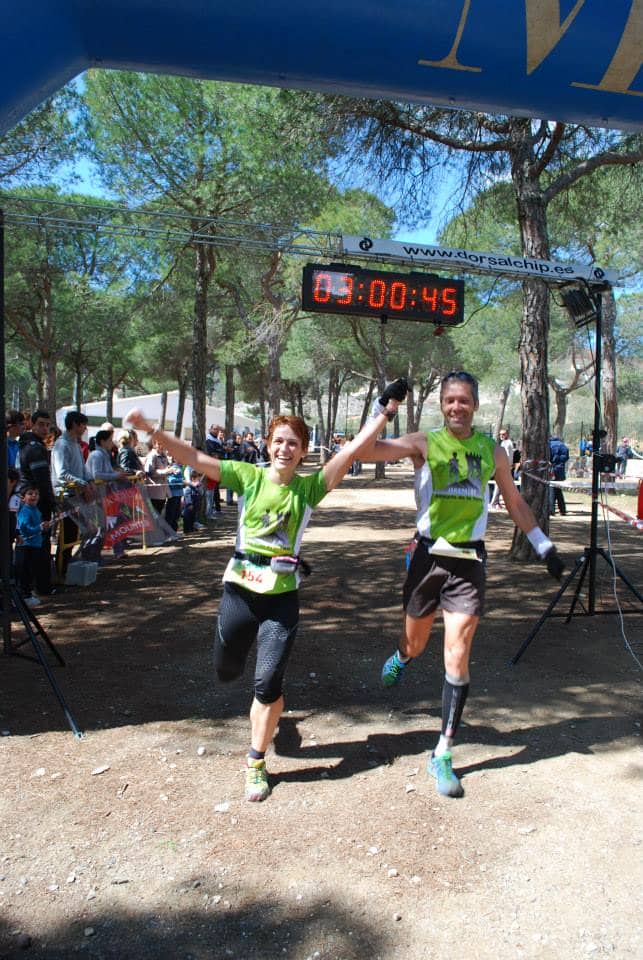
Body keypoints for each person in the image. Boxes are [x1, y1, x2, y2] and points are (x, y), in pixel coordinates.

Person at [125, 379, 406, 804]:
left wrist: (385, 411)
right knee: (226, 670)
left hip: (281, 596)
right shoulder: (247, 476)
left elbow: (349, 452)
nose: (284, 449)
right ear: (268, 445)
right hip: (239, 589)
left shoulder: (309, 488)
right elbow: (195, 458)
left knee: (267, 680)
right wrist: (152, 431)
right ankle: (277, 721)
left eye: (293, 443)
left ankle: (256, 761)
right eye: (278, 441)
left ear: (304, 450)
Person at [362, 370, 564, 799]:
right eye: (450, 400)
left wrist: (544, 547)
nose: (458, 407)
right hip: (426, 558)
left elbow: (513, 501)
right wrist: (384, 409)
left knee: (458, 651)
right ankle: (402, 655)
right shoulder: (422, 442)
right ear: (442, 403)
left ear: (475, 405)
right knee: (416, 644)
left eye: (465, 401)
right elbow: (364, 451)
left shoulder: (491, 450)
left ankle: (444, 751)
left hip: (469, 562)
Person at [17, 409, 58, 595]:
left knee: (37, 545)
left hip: (32, 501)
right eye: (41, 424)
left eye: (48, 425)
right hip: (35, 503)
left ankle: (37, 585)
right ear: (32, 424)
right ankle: (40, 586)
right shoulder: (33, 447)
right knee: (37, 546)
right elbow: (41, 478)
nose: (45, 428)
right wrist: (50, 500)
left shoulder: (31, 444)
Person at [51, 411, 94, 578]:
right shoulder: (62, 445)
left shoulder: (76, 443)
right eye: (83, 424)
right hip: (65, 496)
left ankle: (67, 568)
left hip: (77, 496)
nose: (85, 428)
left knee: (74, 534)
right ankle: (60, 571)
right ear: (75, 424)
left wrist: (89, 481)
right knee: (66, 536)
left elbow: (83, 468)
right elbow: (62, 473)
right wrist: (83, 484)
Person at [15, 484, 51, 607]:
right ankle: (25, 596)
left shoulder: (36, 510)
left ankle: (28, 594)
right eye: (30, 493)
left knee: (31, 571)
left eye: (36, 493)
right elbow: (25, 529)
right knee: (25, 572)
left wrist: (43, 527)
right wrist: (40, 527)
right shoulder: (25, 511)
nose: (34, 496)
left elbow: (37, 527)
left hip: (35, 545)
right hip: (26, 547)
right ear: (23, 498)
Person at [489, 427, 515, 509]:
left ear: (507, 434)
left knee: (501, 485)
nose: (501, 436)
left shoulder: (508, 443)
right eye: (500, 434)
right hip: (504, 467)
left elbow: (507, 456)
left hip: (505, 467)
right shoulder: (504, 443)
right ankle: (495, 502)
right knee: (500, 485)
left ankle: (495, 502)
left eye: (503, 434)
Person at [548, 435, 569, 516]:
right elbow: (566, 457)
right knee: (558, 489)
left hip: (551, 469)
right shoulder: (563, 445)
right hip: (560, 469)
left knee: (551, 489)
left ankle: (551, 510)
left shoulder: (548, 445)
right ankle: (562, 509)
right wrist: (560, 462)